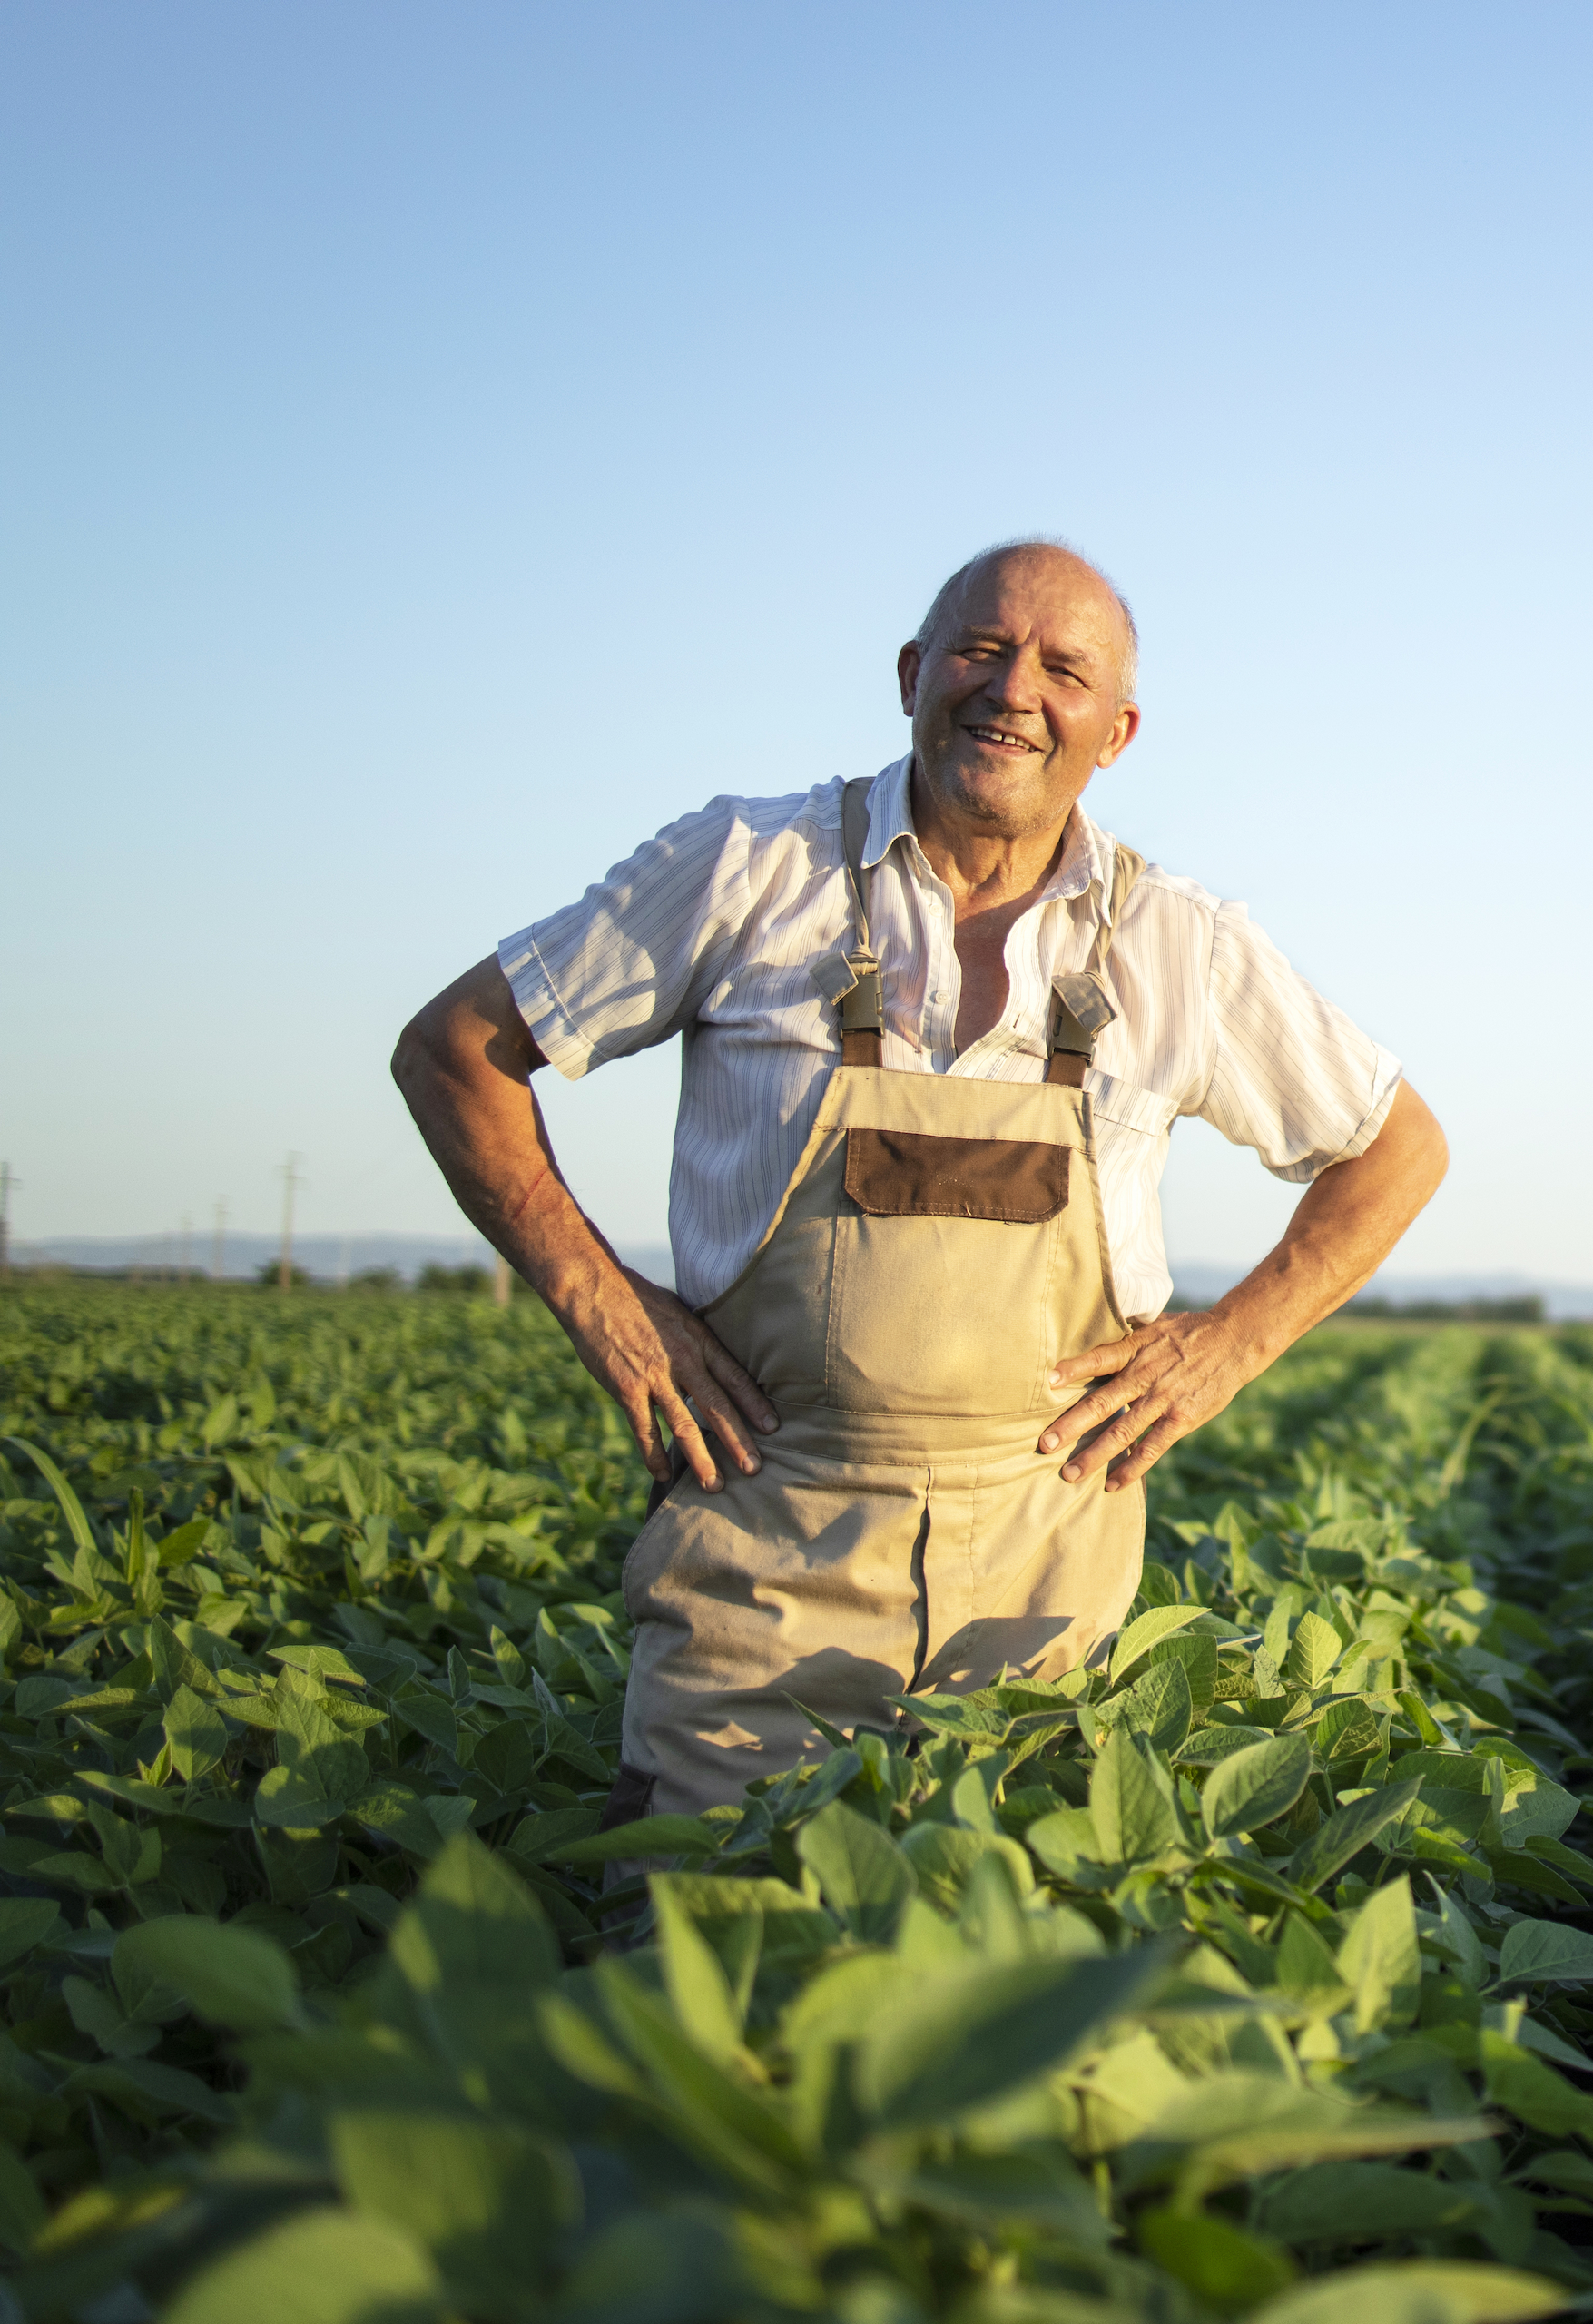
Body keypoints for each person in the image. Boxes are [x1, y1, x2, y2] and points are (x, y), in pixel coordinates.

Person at [390, 539, 1447, 1821]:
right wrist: (602, 1297)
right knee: (696, 1977)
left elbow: (1396, 1147)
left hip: (1043, 1626)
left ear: (1114, 733)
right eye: (982, 650)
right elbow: (458, 1052)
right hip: (759, 1603)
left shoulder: (1179, 942)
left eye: (1063, 670)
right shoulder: (748, 870)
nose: (1014, 690)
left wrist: (1229, 1343)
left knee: (1003, 1995)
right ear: (912, 674)